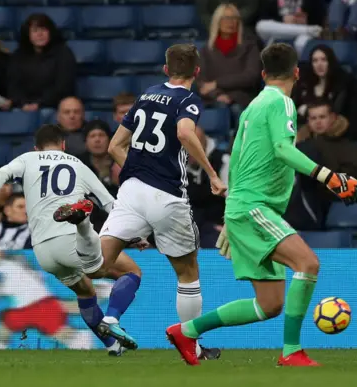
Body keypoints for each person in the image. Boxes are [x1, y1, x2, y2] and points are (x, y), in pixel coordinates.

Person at [165, 43, 357, 367]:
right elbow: (284, 150)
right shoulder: (281, 103)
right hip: (255, 207)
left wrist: (231, 215)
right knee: (308, 265)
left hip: (244, 207)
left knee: (269, 304)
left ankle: (186, 331)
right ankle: (292, 351)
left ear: (262, 74)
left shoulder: (253, 107)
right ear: (297, 73)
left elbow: (239, 161)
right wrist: (329, 176)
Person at [54, 44, 227, 360]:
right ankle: (193, 347)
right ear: (197, 73)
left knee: (99, 264)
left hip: (131, 191)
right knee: (187, 273)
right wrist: (213, 174)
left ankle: (108, 311)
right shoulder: (187, 100)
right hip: (167, 195)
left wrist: (136, 168)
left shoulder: (147, 95)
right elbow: (187, 133)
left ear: (165, 70)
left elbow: (114, 146)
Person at [0, 124, 143, 357]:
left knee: (86, 293)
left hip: (43, 252)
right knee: (131, 272)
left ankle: (112, 345)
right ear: (64, 145)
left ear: (36, 148)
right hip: (70, 242)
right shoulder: (78, 164)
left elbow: (1, 174)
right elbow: (109, 203)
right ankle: (111, 316)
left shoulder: (28, 159)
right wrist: (135, 234)